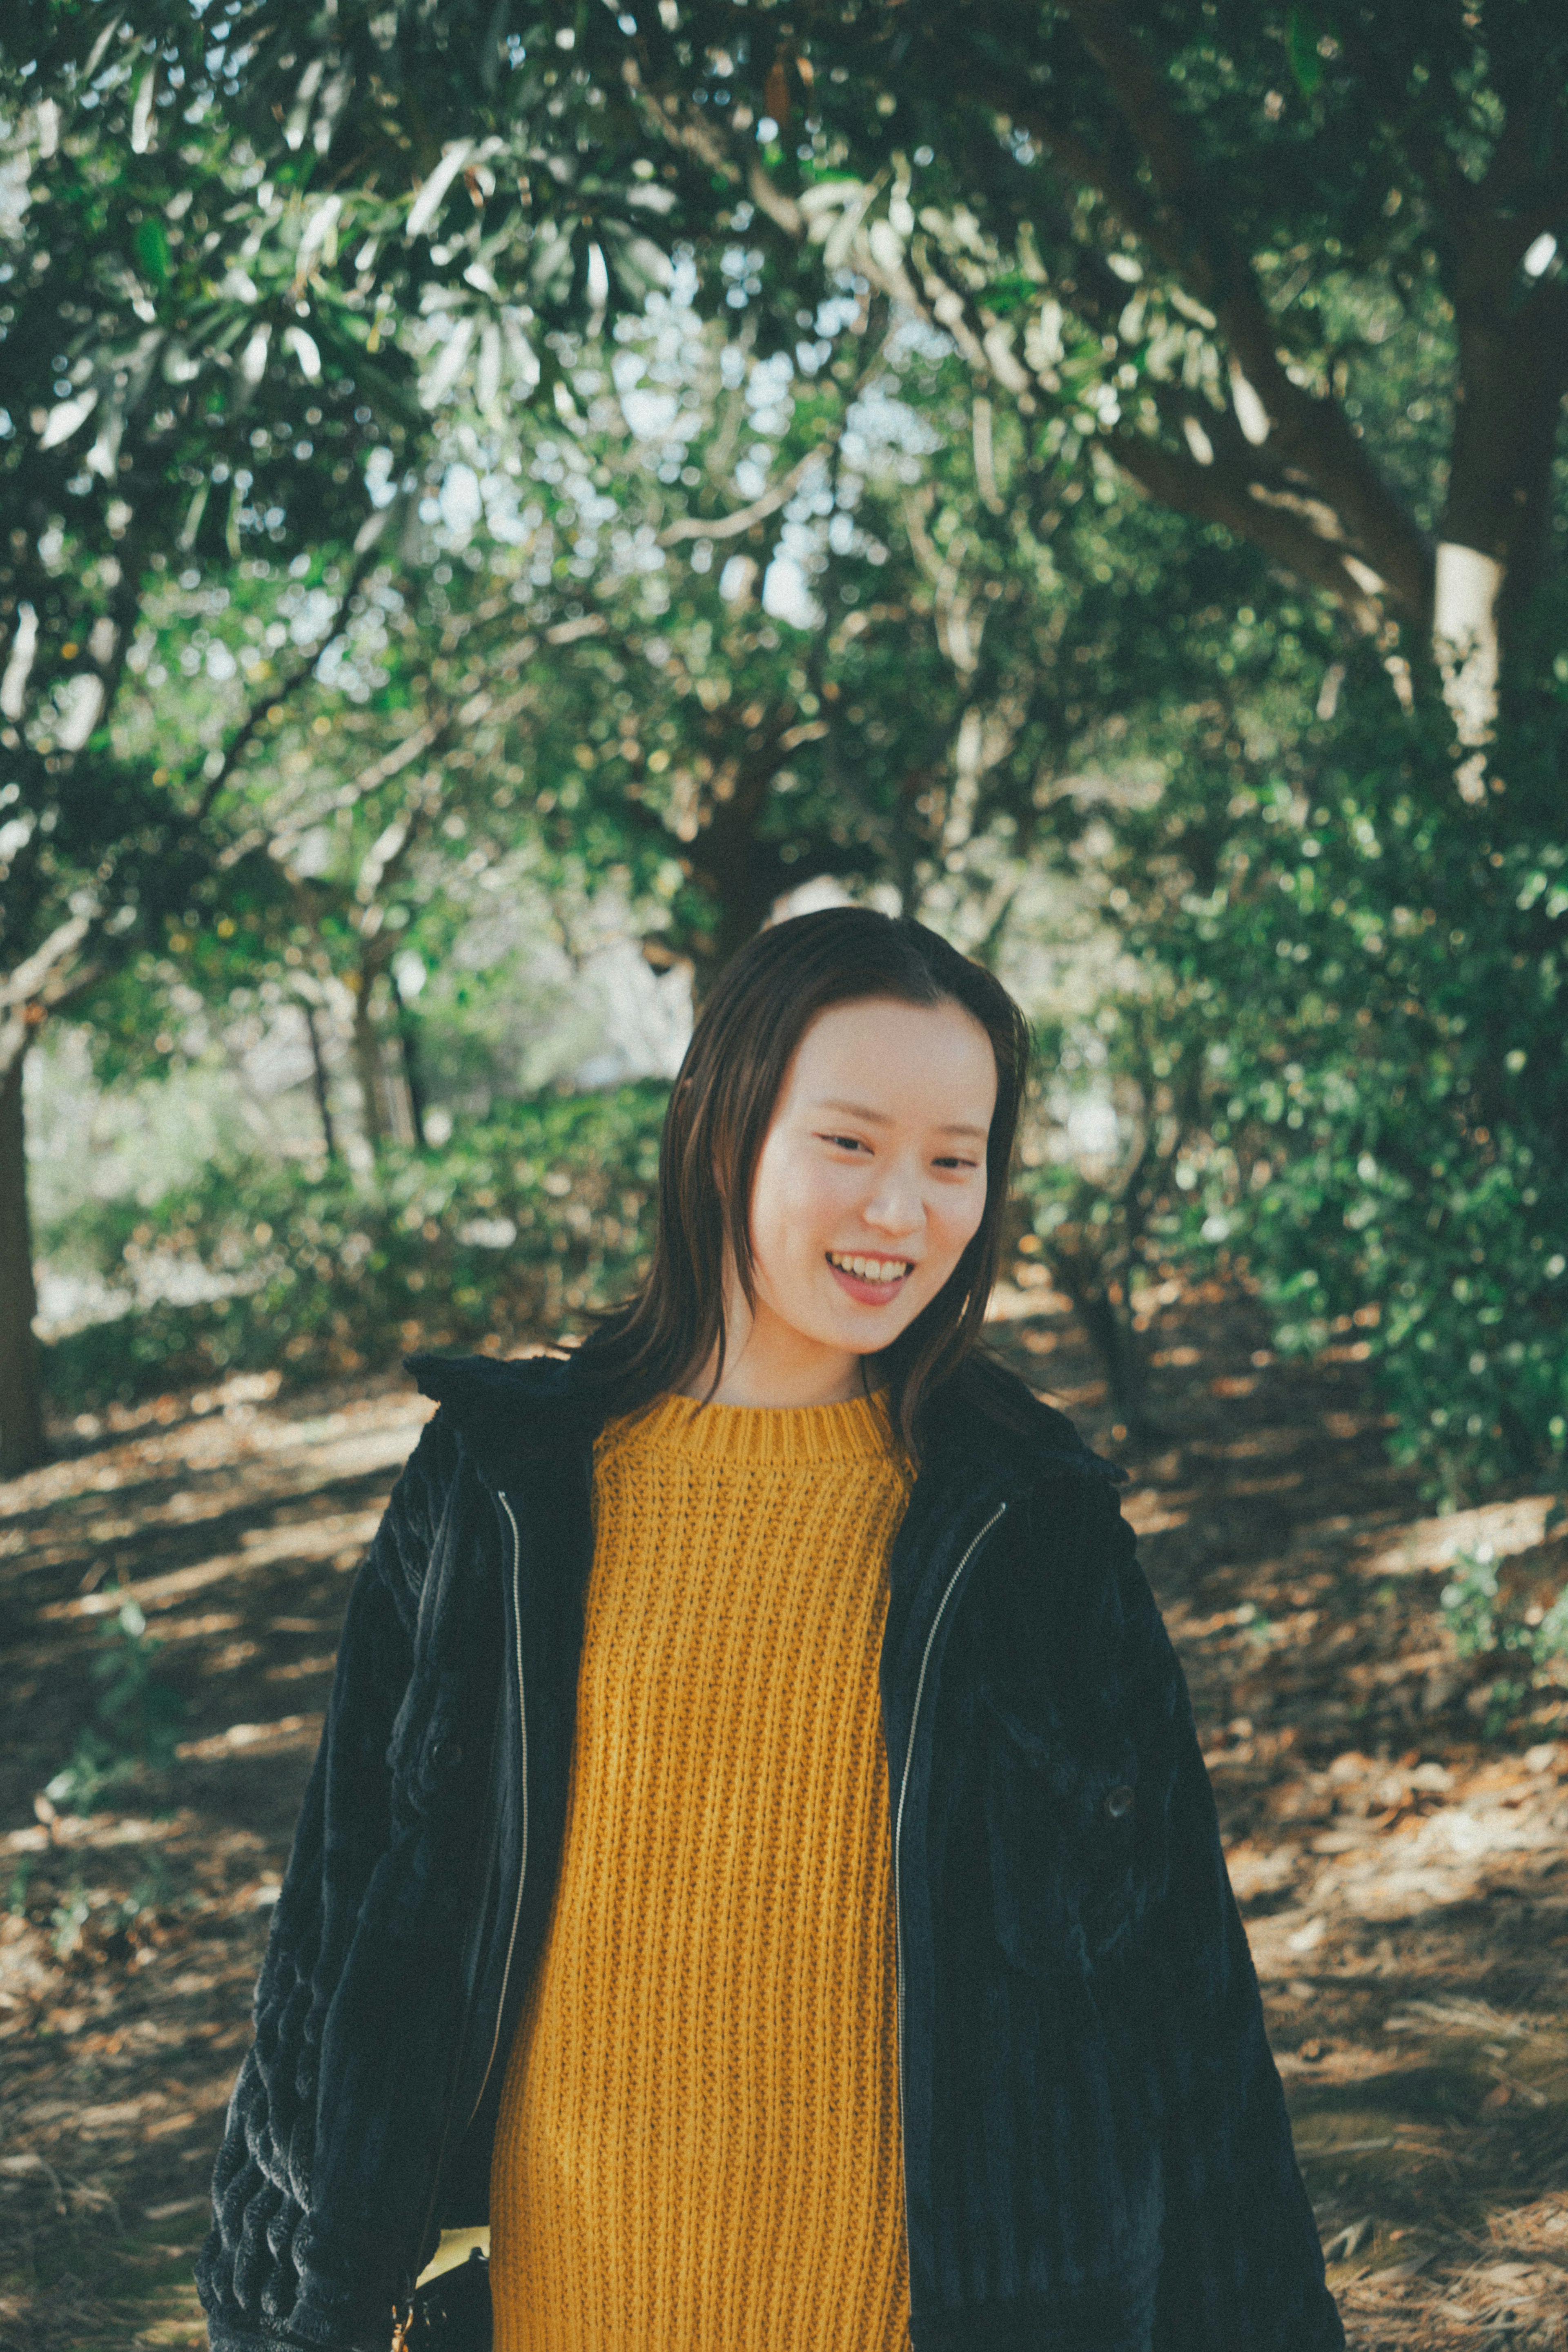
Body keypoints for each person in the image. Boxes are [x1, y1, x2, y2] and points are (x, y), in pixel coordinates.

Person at [196, 906, 1344, 2352]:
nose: (903, 1213)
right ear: (723, 1131)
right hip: (568, 2304)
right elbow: (345, 1916)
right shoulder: (504, 1486)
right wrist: (286, 2304)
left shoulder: (1032, 1527)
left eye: (953, 1160)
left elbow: (1183, 1990)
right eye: (850, 1144)